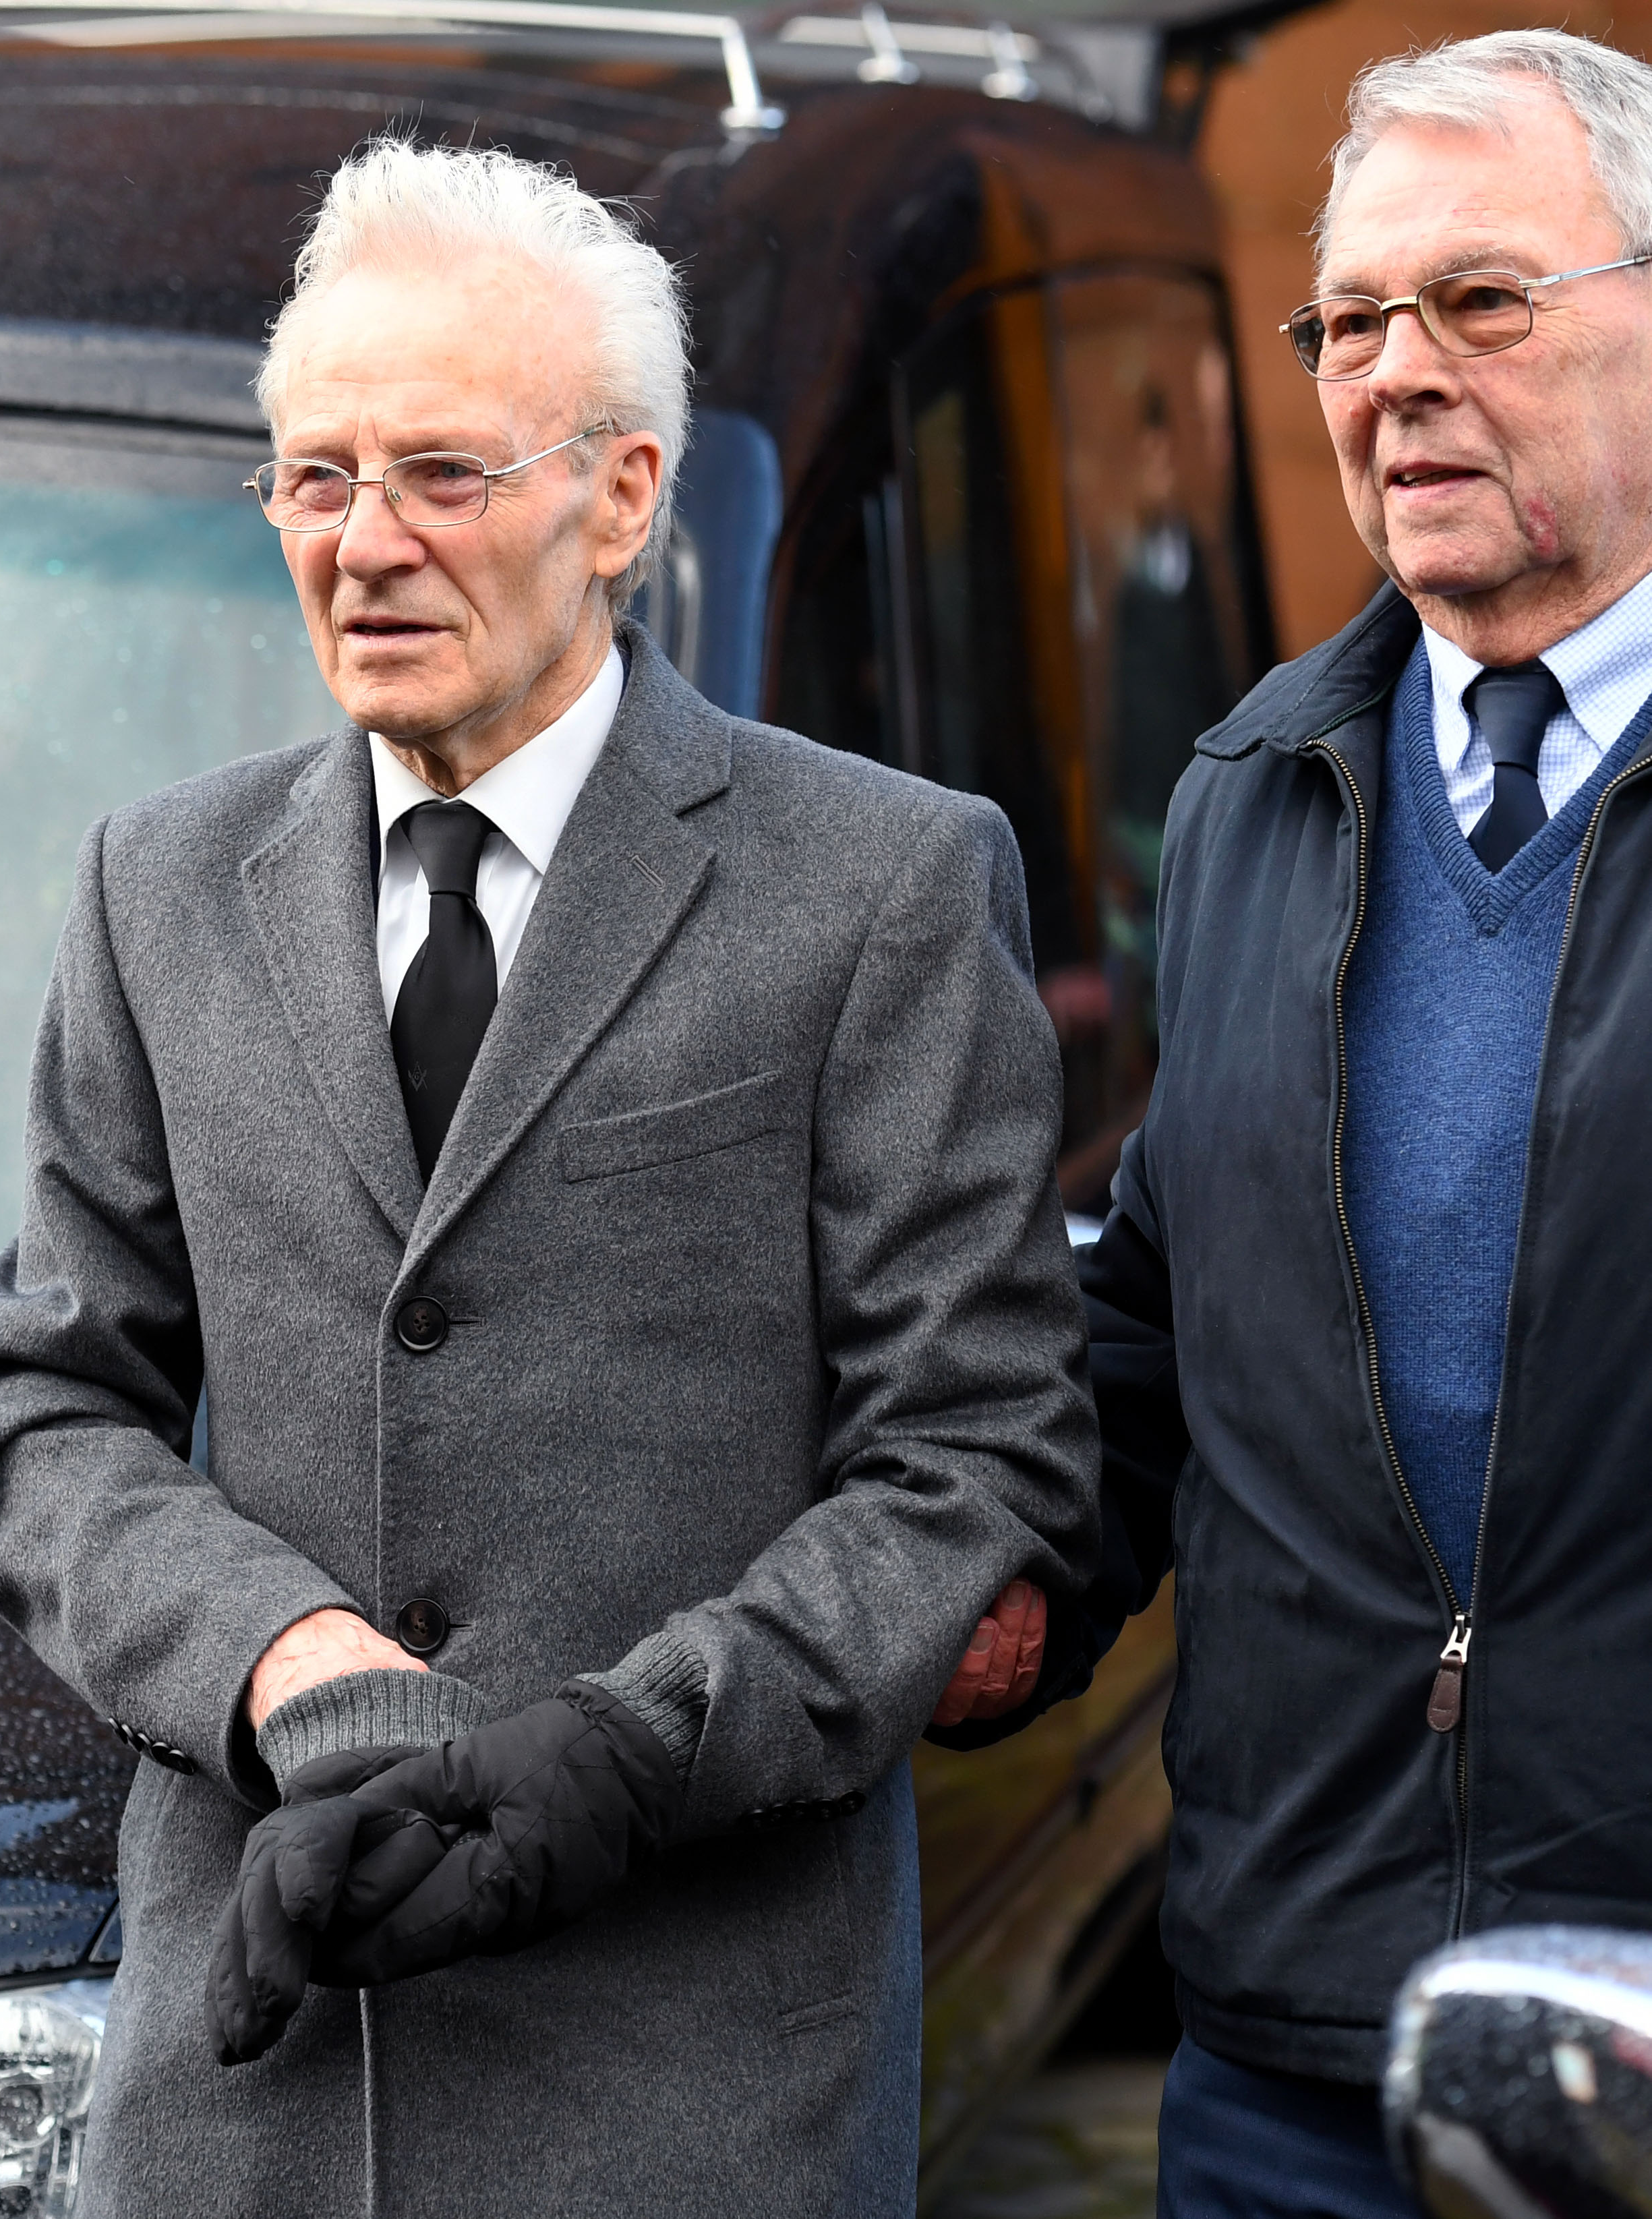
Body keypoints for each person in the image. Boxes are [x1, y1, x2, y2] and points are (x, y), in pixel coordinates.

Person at [0, 139, 1095, 2217]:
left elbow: (976, 1458)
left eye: (441, 475)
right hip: (255, 2086)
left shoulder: (887, 885)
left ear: (621, 496)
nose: (363, 543)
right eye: (315, 477)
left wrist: (634, 1750)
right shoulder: (159, 885)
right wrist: (298, 1671)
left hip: (692, 2099)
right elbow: (33, 1408)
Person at [1004, 30, 1652, 2218]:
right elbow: (1176, 1311)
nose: (1397, 373)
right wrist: (979, 1576)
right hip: (1295, 2042)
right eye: (1350, 322)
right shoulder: (1257, 794)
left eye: (1480, 301)